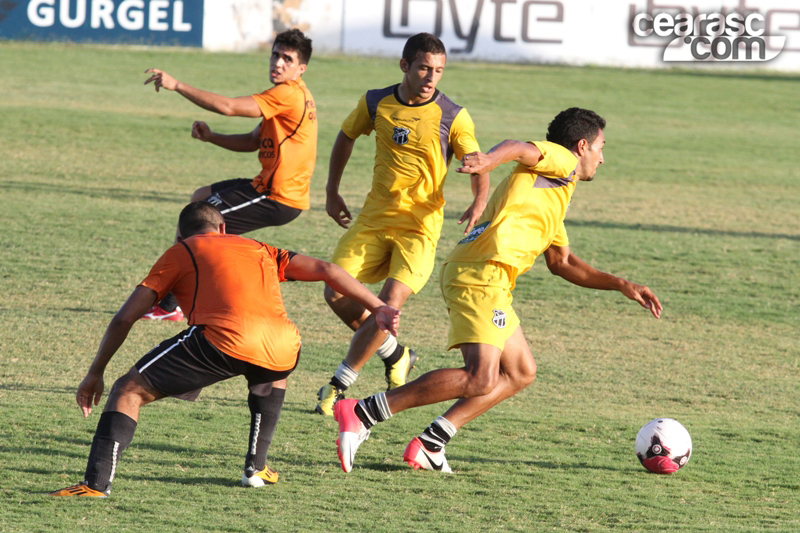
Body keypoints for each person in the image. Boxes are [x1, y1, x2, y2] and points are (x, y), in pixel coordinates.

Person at [332, 108, 663, 473]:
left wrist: (622, 285)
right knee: (480, 377)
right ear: (582, 146)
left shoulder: (554, 191)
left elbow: (563, 263)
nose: (602, 157)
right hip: (481, 273)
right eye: (601, 147)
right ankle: (362, 412)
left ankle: (431, 443)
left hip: (491, 278)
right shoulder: (562, 160)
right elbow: (520, 147)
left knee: (520, 371)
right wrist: (489, 160)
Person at [50, 202, 399, 497]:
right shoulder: (260, 248)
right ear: (223, 227)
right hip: (285, 344)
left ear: (181, 236)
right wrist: (378, 306)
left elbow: (125, 317)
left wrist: (95, 372)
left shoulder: (182, 250)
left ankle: (95, 484)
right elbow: (327, 269)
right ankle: (256, 468)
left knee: (128, 390)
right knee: (271, 374)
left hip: (224, 339)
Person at [316, 32, 490, 415]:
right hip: (374, 220)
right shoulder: (375, 101)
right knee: (335, 291)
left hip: (419, 228)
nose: (431, 77)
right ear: (404, 65)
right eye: (425, 68)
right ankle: (396, 355)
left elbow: (477, 163)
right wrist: (331, 191)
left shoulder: (453, 115)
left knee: (389, 305)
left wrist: (479, 201)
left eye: (439, 70)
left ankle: (338, 384)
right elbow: (345, 136)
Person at [140, 28, 317, 322]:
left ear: (301, 68)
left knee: (199, 222)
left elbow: (229, 106)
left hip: (277, 196)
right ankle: (193, 295)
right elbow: (252, 141)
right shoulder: (292, 94)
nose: (278, 63)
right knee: (200, 199)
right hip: (266, 187)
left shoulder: (288, 94)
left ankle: (171, 305)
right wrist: (212, 137)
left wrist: (177, 85)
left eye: (287, 59)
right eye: (275, 55)